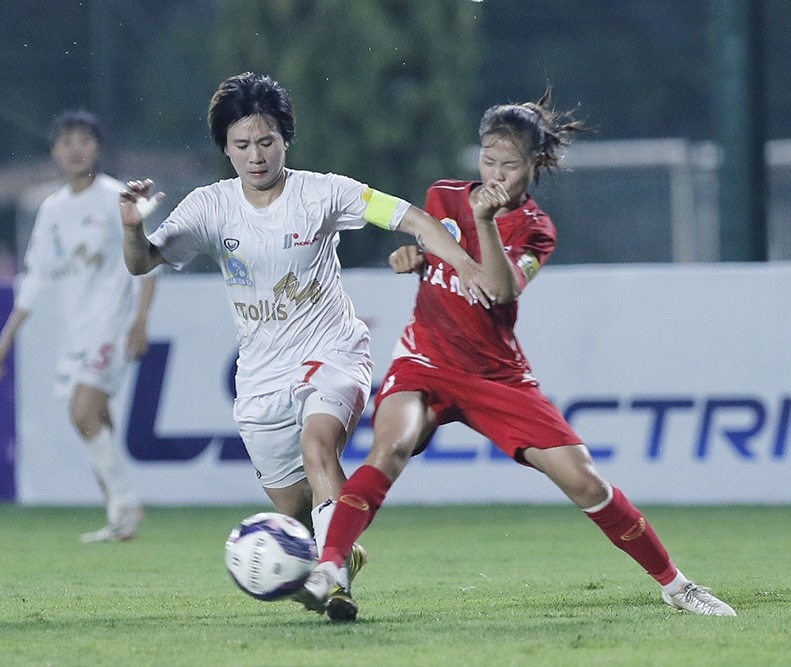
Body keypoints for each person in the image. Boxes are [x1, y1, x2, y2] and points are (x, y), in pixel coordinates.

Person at [294, 89, 737, 622]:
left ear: (535, 165)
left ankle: (677, 585)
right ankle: (330, 567)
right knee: (389, 449)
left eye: (510, 164)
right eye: (488, 160)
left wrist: (482, 223)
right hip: (426, 360)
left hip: (497, 376)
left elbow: (500, 291)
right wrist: (414, 259)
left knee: (586, 482)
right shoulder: (443, 198)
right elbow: (438, 256)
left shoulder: (535, 230)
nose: (496, 173)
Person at [118, 72, 479, 618]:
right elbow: (142, 261)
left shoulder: (322, 193)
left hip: (333, 352)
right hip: (260, 377)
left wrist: (466, 265)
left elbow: (412, 218)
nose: (256, 155)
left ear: (286, 138)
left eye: (267, 141)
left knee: (319, 446)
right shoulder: (210, 207)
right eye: (241, 145)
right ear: (225, 147)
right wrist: (130, 228)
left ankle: (336, 582)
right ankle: (339, 554)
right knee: (294, 517)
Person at [0, 110, 156, 542]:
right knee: (97, 416)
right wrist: (5, 340)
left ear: (97, 146)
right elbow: (35, 277)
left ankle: (125, 501)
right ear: (55, 152)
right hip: (76, 331)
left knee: (81, 411)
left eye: (84, 140)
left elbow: (149, 264)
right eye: (67, 142)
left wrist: (140, 321)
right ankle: (121, 516)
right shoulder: (53, 210)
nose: (75, 149)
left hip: (112, 324)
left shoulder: (117, 197)